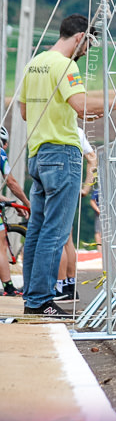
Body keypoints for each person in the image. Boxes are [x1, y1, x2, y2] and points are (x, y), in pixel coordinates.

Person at [19, 14, 116, 318]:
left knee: (38, 232)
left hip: (38, 154)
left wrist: (68, 113)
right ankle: (41, 300)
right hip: (62, 154)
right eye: (88, 45)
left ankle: (33, 297)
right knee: (55, 232)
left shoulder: (35, 63)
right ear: (80, 37)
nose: (86, 52)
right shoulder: (66, 66)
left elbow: (26, 112)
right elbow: (81, 105)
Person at [55, 128, 97, 303]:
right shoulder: (78, 130)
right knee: (68, 238)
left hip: (58, 183)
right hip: (72, 185)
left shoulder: (56, 124)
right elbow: (93, 159)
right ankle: (69, 285)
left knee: (58, 237)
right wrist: (87, 187)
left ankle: (60, 286)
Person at [0, 126, 30, 296]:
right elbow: (11, 181)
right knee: (1, 245)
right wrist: (26, 202)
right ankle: (9, 288)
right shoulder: (0, 153)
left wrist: (7, 200)